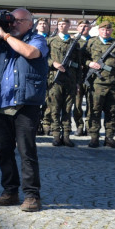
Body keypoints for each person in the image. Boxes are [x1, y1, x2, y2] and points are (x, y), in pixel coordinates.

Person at [0, 8, 48, 212]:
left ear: (30, 23)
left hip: (25, 104)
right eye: (11, 21)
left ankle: (32, 195)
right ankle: (10, 191)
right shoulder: (0, 43)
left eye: (18, 21)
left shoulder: (38, 39)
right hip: (0, 102)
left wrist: (5, 35)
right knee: (3, 150)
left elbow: (30, 53)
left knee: (27, 151)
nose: (13, 24)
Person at [84, 21, 115, 148]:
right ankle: (94, 137)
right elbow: (81, 58)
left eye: (108, 30)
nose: (105, 31)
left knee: (112, 112)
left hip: (114, 83)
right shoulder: (91, 42)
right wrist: (89, 63)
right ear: (99, 30)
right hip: (97, 83)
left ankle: (109, 138)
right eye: (103, 29)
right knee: (94, 110)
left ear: (111, 31)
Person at [45, 18, 79, 147]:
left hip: (70, 79)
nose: (62, 26)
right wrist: (53, 63)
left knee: (67, 108)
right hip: (55, 79)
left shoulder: (74, 43)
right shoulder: (50, 41)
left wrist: (78, 82)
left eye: (64, 24)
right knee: (55, 108)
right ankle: (56, 135)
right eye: (59, 24)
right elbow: (44, 57)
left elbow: (78, 63)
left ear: (69, 25)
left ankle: (66, 135)